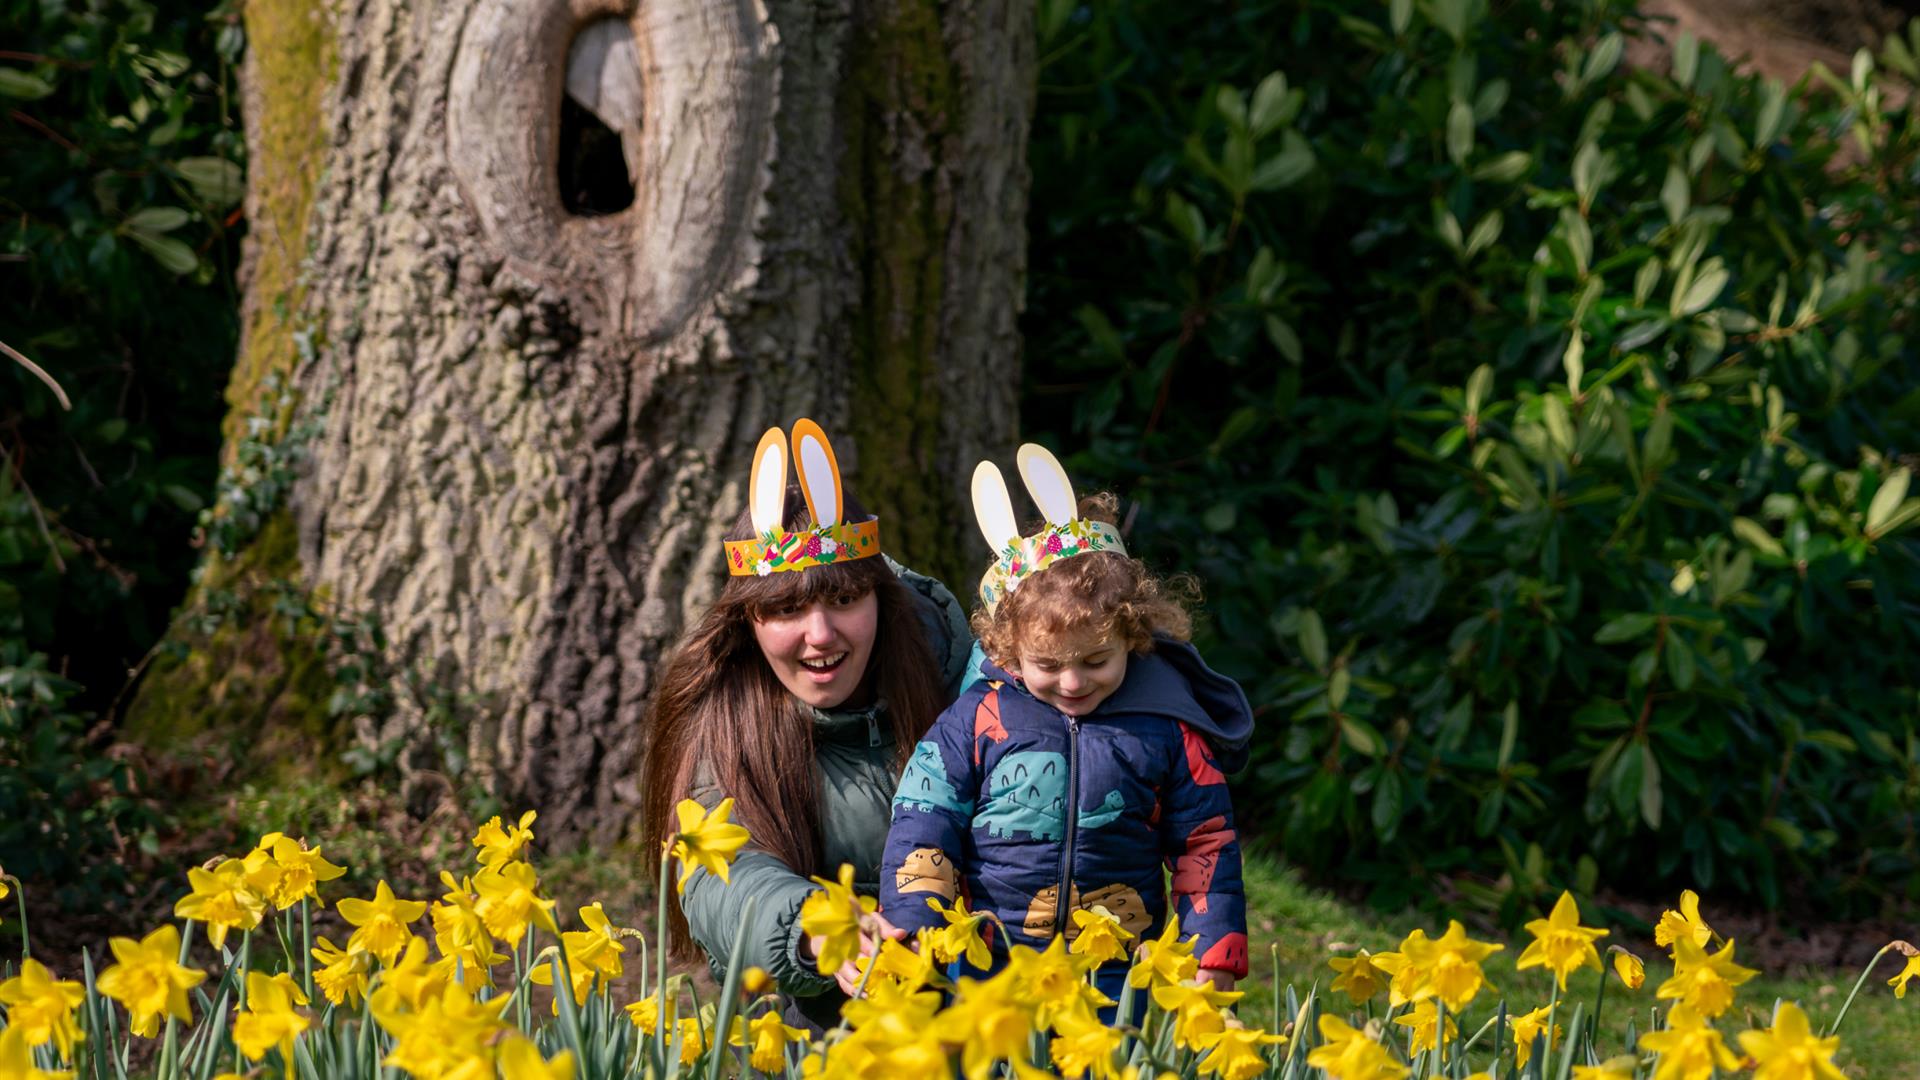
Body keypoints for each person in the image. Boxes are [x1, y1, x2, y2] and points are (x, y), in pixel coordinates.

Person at [878, 444, 1252, 1002]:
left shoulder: (1166, 727)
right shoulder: (978, 718)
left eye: (1096, 661)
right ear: (1007, 649)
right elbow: (924, 816)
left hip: (1115, 966)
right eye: (1047, 665)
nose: (1073, 683)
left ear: (1134, 635)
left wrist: (1212, 944)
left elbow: (1206, 840)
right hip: (992, 960)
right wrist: (913, 917)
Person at [639, 421, 972, 1031]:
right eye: (787, 608)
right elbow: (723, 876)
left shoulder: (970, 687)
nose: (820, 635)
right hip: (816, 1035)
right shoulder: (726, 719)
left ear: (880, 599)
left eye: (844, 600)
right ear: (749, 622)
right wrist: (810, 926)